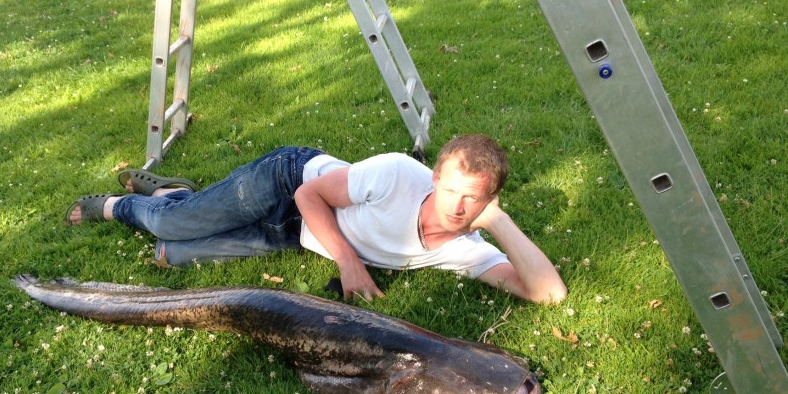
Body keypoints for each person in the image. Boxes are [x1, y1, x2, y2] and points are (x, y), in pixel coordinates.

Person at [66, 134, 567, 304]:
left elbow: (549, 294)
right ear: (435, 177)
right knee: (170, 226)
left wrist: (499, 223)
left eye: (473, 199)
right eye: (450, 190)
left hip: (297, 233)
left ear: (491, 199)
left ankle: (174, 193)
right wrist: (349, 262)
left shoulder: (468, 248)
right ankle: (114, 205)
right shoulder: (397, 173)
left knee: (172, 254)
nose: (457, 207)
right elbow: (310, 194)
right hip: (289, 183)